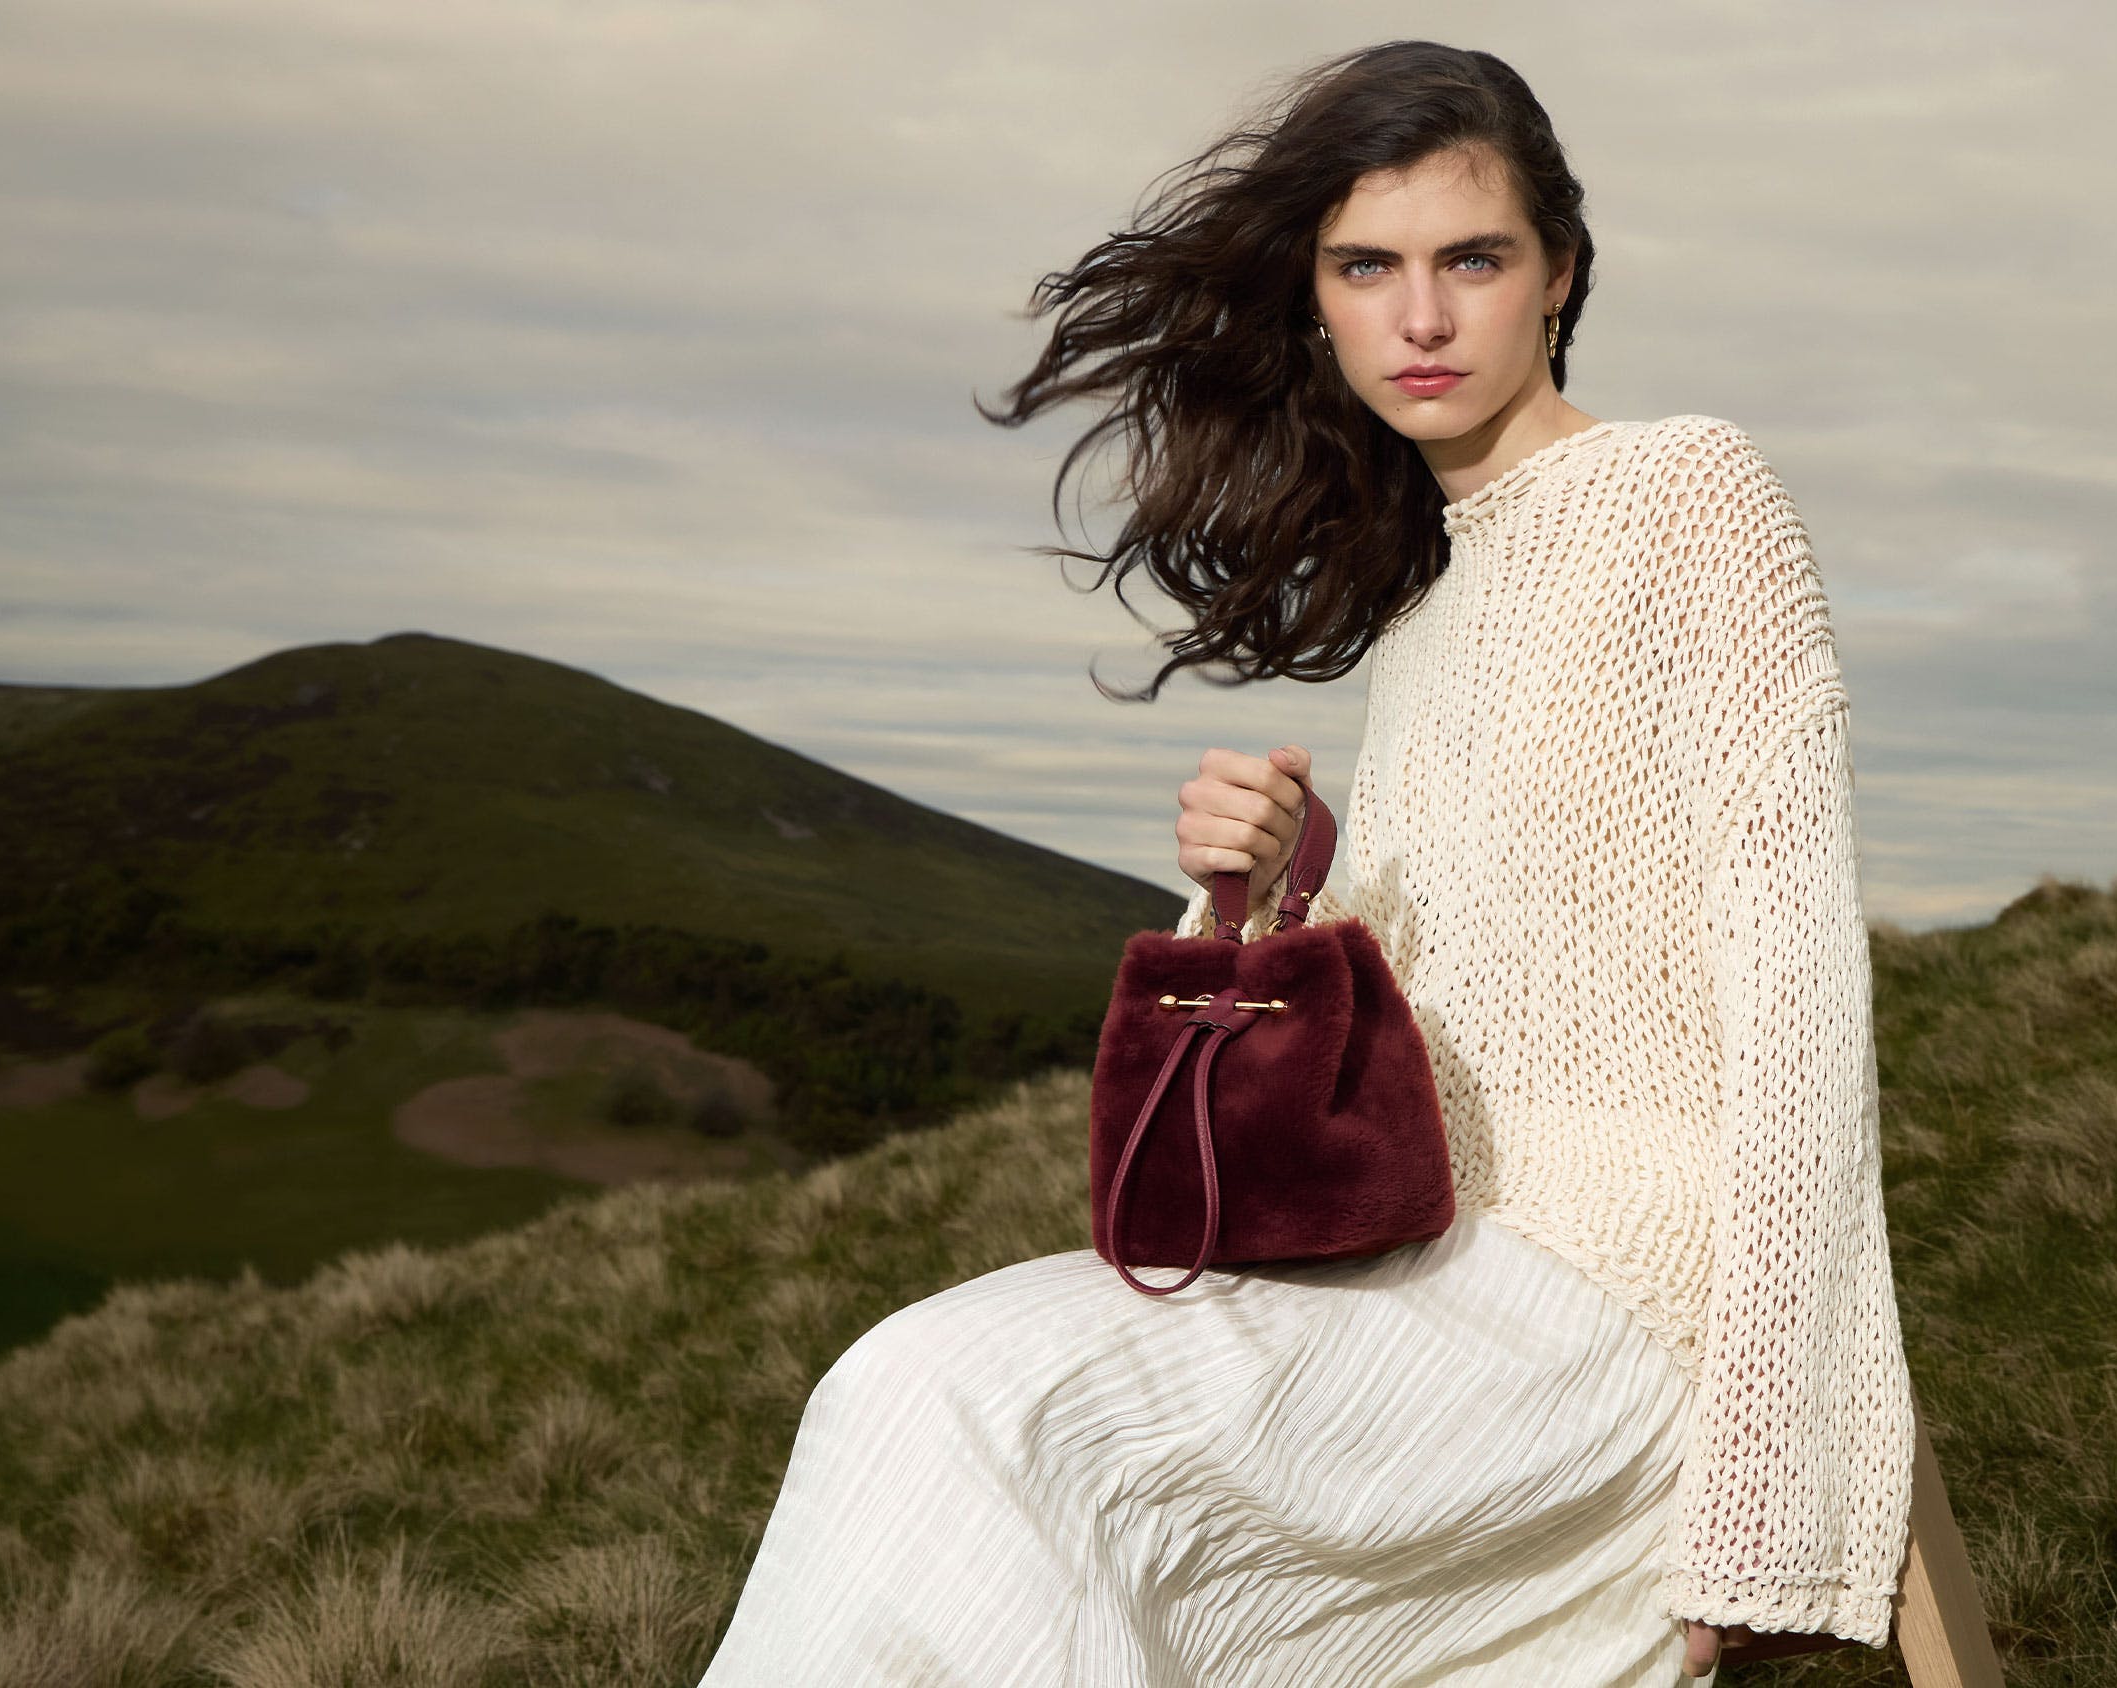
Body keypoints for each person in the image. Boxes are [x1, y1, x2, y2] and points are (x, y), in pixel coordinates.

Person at [694, 38, 1912, 1687]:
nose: (1422, 318)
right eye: (1368, 267)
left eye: (1471, 260)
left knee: (978, 1404)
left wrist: (1768, 1479)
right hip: (1413, 1247)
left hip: (1621, 1294)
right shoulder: (1418, 601)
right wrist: (1266, 894)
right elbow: (1431, 989)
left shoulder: (1689, 492)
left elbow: (1801, 1005)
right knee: (911, 1382)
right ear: (1320, 300)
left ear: (1559, 276)